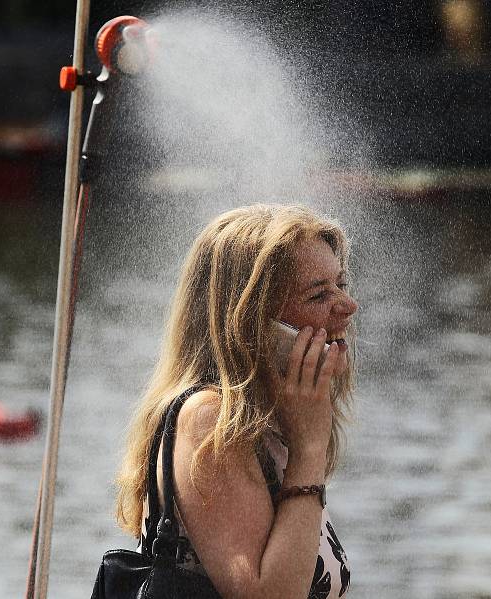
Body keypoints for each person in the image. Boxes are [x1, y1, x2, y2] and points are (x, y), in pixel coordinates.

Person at [115, 204, 357, 598]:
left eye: (341, 286)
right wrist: (310, 450)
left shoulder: (272, 425)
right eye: (318, 295)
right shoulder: (209, 420)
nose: (348, 307)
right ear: (249, 320)